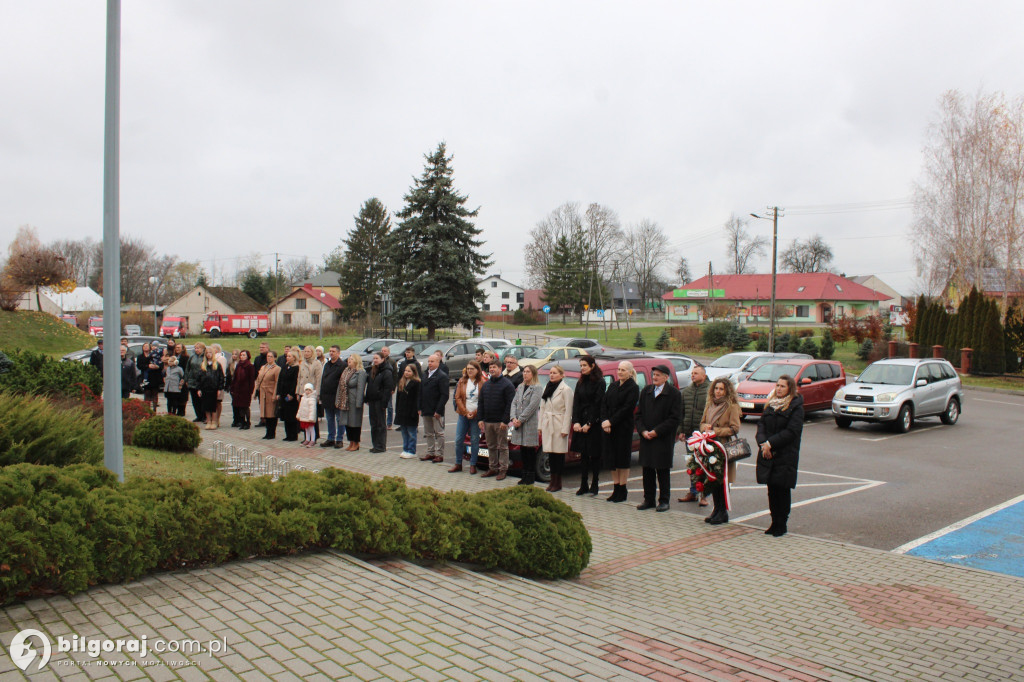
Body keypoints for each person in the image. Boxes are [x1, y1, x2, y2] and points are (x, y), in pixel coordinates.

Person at [756, 374, 804, 537]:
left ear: (790, 388)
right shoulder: (771, 404)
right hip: (768, 453)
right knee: (772, 490)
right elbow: (761, 425)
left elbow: (792, 431)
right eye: (777, 385)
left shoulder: (795, 406)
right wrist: (763, 444)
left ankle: (781, 523)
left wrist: (771, 444)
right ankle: (773, 521)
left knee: (782, 490)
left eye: (782, 386)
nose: (779, 389)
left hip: (785, 454)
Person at [635, 364, 681, 512]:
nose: (654, 377)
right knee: (647, 470)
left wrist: (656, 431)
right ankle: (648, 499)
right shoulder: (646, 391)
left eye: (658, 375)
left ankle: (664, 500)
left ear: (666, 377)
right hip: (646, 437)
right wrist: (642, 431)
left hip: (662, 438)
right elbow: (639, 415)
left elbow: (674, 418)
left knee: (662, 471)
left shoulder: (674, 393)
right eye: (654, 374)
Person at [699, 376, 742, 524]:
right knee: (713, 480)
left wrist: (716, 431)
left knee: (722, 481)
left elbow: (734, 428)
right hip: (709, 447)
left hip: (722, 447)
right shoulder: (710, 404)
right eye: (716, 388)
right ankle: (716, 509)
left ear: (727, 390)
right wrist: (705, 428)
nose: (718, 392)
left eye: (721, 389)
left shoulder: (732, 406)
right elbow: (702, 422)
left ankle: (723, 512)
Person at [602, 360, 640, 503]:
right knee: (612, 458)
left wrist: (611, 421)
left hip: (623, 428)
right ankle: (615, 487)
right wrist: (605, 421)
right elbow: (604, 403)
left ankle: (622, 489)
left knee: (622, 459)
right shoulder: (612, 386)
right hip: (609, 428)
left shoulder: (633, 388)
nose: (620, 372)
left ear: (630, 372)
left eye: (623, 370)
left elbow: (627, 408)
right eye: (619, 369)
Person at [572, 356, 606, 496]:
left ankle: (595, 485)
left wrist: (590, 423)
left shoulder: (600, 382)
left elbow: (598, 404)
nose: (582, 368)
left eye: (584, 365)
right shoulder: (580, 382)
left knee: (594, 455)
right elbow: (576, 402)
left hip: (594, 423)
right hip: (581, 421)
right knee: (583, 455)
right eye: (581, 366)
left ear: (592, 366)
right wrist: (576, 421)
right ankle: (583, 484)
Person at [677, 364, 710, 507]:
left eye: (696, 373)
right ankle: (693, 492)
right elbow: (681, 412)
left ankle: (704, 495)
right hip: (690, 435)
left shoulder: (710, 390)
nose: (693, 375)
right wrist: (681, 430)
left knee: (706, 465)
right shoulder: (687, 391)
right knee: (692, 464)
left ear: (704, 375)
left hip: (704, 436)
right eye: (692, 373)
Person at [478, 361, 515, 480]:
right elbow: (481, 402)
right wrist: (480, 418)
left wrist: (505, 421)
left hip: (501, 423)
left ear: (500, 369)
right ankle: (492, 468)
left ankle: (503, 470)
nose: (492, 369)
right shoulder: (486, 385)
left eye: (494, 367)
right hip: (488, 421)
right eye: (490, 367)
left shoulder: (507, 385)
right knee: (491, 446)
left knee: (503, 447)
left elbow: (510, 404)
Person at [539, 364, 573, 491]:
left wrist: (565, 429)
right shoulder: (547, 387)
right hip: (549, 423)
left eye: (555, 373)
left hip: (559, 424)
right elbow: (542, 407)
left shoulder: (566, 389)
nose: (552, 375)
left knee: (558, 455)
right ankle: (552, 481)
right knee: (551, 454)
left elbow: (569, 410)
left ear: (561, 375)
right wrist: (541, 425)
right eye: (551, 373)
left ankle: (558, 482)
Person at [509, 364, 543, 485]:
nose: (525, 374)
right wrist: (513, 417)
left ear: (533, 374)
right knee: (522, 449)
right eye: (524, 372)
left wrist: (521, 419)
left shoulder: (537, 388)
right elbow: (514, 403)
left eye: (528, 372)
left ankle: (530, 475)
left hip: (529, 423)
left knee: (529, 450)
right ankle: (524, 475)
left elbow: (532, 407)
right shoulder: (520, 386)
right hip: (518, 423)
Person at [449, 360, 484, 472]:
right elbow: (457, 397)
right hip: (463, 415)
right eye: (468, 369)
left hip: (476, 415)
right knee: (459, 439)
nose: (469, 371)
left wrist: (474, 413)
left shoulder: (482, 382)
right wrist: (465, 412)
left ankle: (473, 464)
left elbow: (483, 400)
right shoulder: (462, 381)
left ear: (477, 370)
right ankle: (458, 463)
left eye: (472, 369)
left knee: (474, 440)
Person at [419, 352, 449, 464]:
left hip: (436, 410)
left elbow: (444, 395)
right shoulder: (425, 374)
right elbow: (421, 392)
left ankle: (439, 454)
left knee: (439, 433)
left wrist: (438, 410)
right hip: (426, 408)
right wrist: (419, 407)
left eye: (432, 361)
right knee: (428, 432)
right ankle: (430, 452)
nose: (430, 363)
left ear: (438, 362)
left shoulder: (442, 376)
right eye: (429, 361)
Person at [364, 352, 395, 453]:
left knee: (380, 424)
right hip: (372, 400)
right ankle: (375, 444)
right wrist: (367, 398)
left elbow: (387, 388)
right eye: (374, 358)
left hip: (380, 401)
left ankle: (381, 445)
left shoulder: (387, 371)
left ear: (382, 359)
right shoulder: (373, 370)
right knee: (373, 424)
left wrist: (384, 403)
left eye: (377, 358)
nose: (375, 360)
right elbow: (370, 385)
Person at [336, 353, 366, 450]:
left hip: (354, 401)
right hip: (345, 401)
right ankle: (351, 442)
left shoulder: (360, 372)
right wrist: (338, 400)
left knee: (355, 423)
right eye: (349, 359)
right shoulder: (346, 371)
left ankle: (356, 443)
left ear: (357, 361)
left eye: (352, 359)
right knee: (347, 422)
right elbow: (340, 386)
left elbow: (361, 388)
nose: (349, 361)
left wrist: (359, 403)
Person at [319, 345, 346, 448]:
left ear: (338, 353)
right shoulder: (327, 365)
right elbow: (323, 380)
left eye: (333, 351)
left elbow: (342, 383)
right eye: (330, 351)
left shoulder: (342, 365)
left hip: (336, 397)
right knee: (329, 419)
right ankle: (331, 438)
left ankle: (339, 439)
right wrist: (321, 395)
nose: (331, 353)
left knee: (339, 419)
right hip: (326, 396)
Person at [394, 363, 421, 458]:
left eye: (409, 371)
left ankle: (411, 450)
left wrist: (417, 410)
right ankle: (405, 449)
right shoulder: (402, 382)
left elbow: (418, 398)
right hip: (402, 411)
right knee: (404, 431)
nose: (406, 373)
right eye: (405, 370)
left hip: (411, 411)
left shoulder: (416, 383)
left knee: (411, 432)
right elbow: (398, 398)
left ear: (414, 372)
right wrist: (397, 410)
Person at [297, 345, 323, 439]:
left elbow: (318, 379)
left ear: (312, 353)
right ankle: (306, 437)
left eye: (308, 351)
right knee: (304, 414)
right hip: (303, 392)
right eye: (305, 351)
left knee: (312, 415)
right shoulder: (302, 363)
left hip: (312, 392)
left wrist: (317, 393)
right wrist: (298, 392)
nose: (306, 353)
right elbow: (299, 378)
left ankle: (314, 436)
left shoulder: (317, 363)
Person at [253, 351, 280, 439]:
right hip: (263, 393)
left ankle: (272, 433)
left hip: (271, 392)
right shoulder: (263, 367)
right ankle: (267, 432)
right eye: (268, 356)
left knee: (271, 413)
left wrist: (275, 394)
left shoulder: (277, 368)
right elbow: (258, 380)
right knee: (265, 413)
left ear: (275, 358)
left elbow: (277, 382)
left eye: (271, 356)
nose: (269, 358)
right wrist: (255, 392)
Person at [276, 349, 301, 441]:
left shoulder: (296, 368)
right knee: (285, 415)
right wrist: (278, 392)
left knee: (291, 416)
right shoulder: (285, 367)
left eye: (290, 356)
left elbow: (295, 382)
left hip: (291, 396)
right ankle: (288, 434)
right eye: (287, 356)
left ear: (294, 358)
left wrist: (291, 393)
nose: (287, 358)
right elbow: (280, 380)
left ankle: (293, 435)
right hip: (283, 394)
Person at [199, 346, 225, 430]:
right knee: (206, 406)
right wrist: (199, 389)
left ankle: (214, 421)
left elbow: (221, 377)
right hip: (205, 388)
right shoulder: (203, 365)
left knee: (213, 406)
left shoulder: (217, 364)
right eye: (207, 353)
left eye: (210, 353)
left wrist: (219, 389)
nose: (208, 355)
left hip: (214, 388)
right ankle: (208, 421)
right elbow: (199, 378)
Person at [230, 349, 256, 430]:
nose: (242, 357)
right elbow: (235, 377)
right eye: (241, 355)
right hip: (238, 390)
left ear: (248, 356)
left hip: (246, 390)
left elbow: (252, 379)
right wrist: (232, 387)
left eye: (244, 355)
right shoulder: (239, 365)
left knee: (245, 406)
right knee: (239, 406)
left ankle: (248, 422)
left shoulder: (250, 366)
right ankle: (242, 422)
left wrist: (251, 390)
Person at [185, 342, 206, 422]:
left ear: (203, 349)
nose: (196, 350)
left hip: (201, 381)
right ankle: (198, 416)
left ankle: (204, 416)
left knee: (202, 400)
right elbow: (188, 368)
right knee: (195, 400)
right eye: (195, 348)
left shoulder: (205, 357)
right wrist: (186, 379)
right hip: (192, 380)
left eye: (198, 348)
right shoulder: (192, 357)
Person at [380, 345, 398, 428]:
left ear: (388, 352)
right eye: (382, 351)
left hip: (388, 387)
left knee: (389, 406)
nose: (383, 352)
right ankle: (382, 422)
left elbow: (395, 375)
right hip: (380, 387)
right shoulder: (378, 360)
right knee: (381, 406)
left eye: (385, 351)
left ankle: (389, 423)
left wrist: (393, 387)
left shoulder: (392, 361)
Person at [142, 343, 163, 412]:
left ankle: (154, 410)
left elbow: (161, 365)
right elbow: (140, 365)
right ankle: (147, 410)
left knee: (155, 394)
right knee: (147, 394)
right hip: (147, 377)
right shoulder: (142, 356)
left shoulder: (158, 355)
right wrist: (148, 366)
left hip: (155, 377)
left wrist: (158, 367)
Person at [297, 383, 319, 447]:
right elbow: (300, 408)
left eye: (309, 390)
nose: (308, 391)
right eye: (306, 390)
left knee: (311, 428)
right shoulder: (303, 398)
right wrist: (298, 415)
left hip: (309, 417)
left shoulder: (312, 398)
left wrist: (311, 417)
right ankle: (307, 439)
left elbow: (312, 409)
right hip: (304, 416)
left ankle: (312, 440)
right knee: (306, 429)